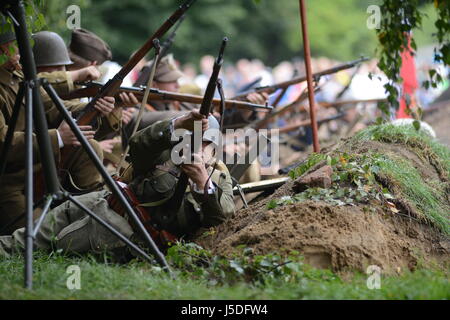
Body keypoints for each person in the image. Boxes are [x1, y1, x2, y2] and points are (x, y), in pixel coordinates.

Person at [0, 110, 235, 260]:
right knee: (21, 242)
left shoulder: (219, 181)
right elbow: (139, 144)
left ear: (214, 150)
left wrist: (202, 183)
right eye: (190, 140)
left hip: (122, 232)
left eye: (203, 144)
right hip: (99, 201)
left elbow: (221, 221)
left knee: (54, 249)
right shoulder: (163, 154)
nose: (194, 148)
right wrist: (176, 124)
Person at [0, 27, 114, 234]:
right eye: (14, 44)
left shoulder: (18, 76)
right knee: (41, 237)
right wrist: (58, 137)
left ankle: (94, 211)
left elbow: (54, 108)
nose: (22, 49)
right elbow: (3, 144)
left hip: (37, 166)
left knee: (88, 147)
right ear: (2, 50)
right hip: (9, 180)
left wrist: (94, 107)